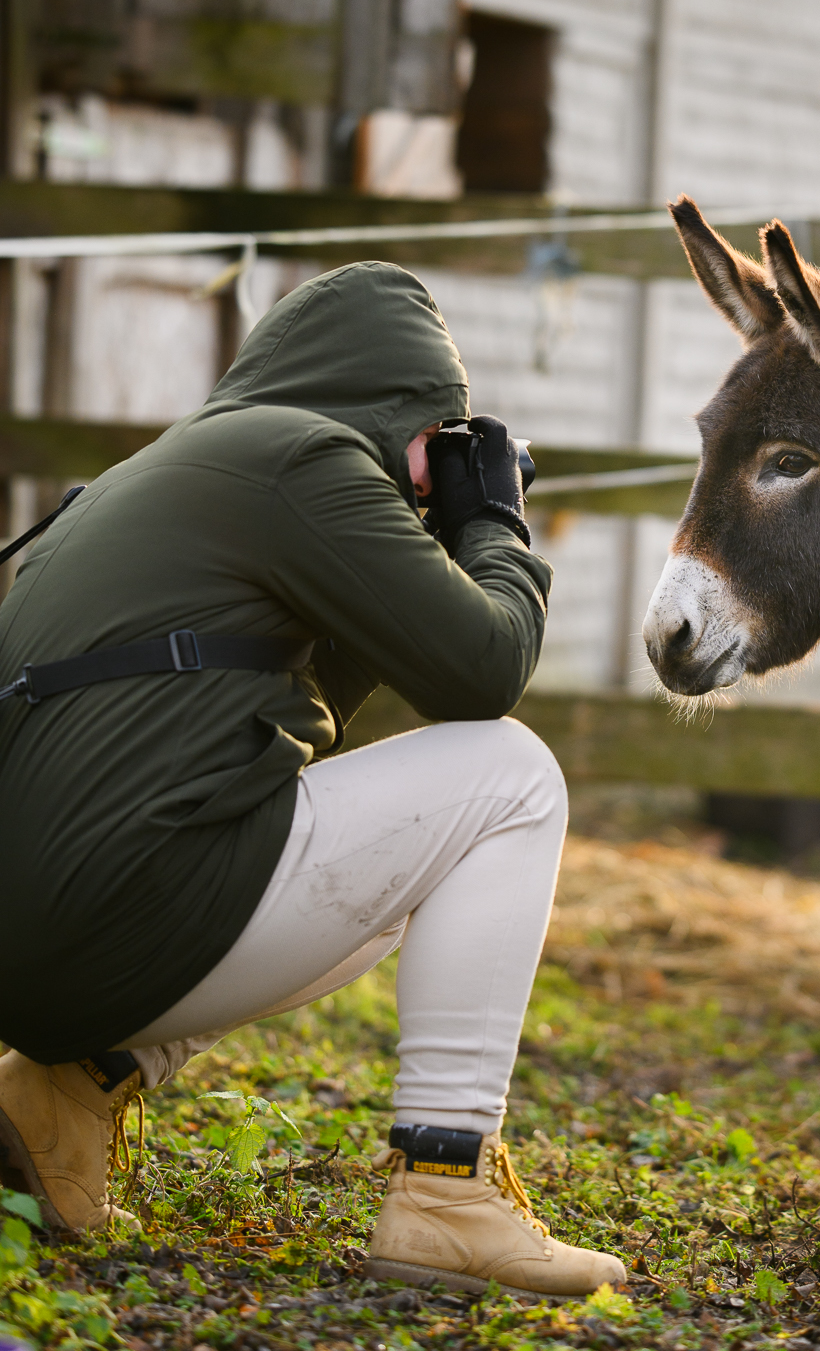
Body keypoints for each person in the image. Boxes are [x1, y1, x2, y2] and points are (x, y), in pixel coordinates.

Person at [0, 261, 625, 1297]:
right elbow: (485, 670)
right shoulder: (303, 456)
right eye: (441, 441)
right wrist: (493, 526)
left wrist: (404, 559)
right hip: (111, 910)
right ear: (392, 405)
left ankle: (55, 1093)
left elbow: (288, 728)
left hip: (38, 949)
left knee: (399, 869)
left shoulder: (182, 466)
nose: (436, 475)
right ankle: (444, 1189)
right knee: (513, 776)